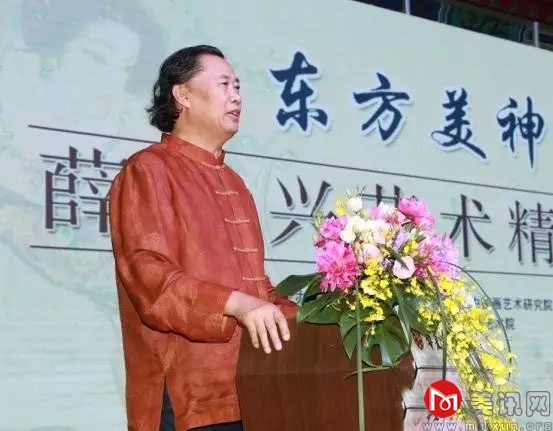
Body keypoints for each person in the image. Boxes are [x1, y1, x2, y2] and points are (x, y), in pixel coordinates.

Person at [108, 45, 297, 431]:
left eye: (238, 86)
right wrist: (237, 303)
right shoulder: (148, 170)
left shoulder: (235, 183)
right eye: (224, 84)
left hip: (251, 388)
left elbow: (256, 288)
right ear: (183, 95)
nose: (236, 96)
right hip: (188, 398)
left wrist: (327, 318)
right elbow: (151, 280)